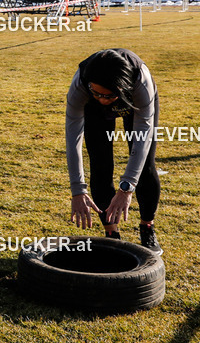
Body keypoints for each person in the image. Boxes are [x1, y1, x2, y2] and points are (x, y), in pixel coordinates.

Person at [66, 48, 161, 254]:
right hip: (96, 110)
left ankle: (147, 226)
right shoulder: (81, 85)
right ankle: (111, 232)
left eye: (107, 96)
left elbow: (142, 137)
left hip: (134, 103)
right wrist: (77, 190)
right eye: (97, 93)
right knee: (100, 164)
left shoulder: (140, 82)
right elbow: (73, 139)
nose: (102, 100)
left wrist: (127, 187)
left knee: (145, 166)